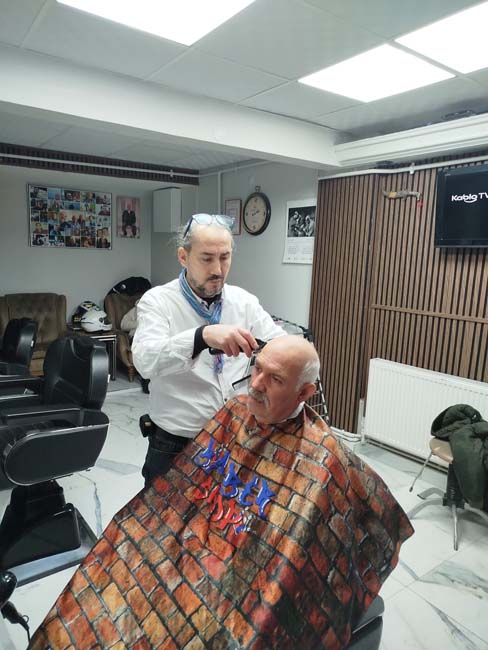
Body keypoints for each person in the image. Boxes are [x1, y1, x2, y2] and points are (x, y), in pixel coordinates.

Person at [29, 335, 414, 650]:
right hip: (192, 543)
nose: (256, 385)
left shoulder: (323, 460)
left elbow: (347, 532)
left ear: (305, 392)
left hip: (239, 574)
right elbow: (183, 487)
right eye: (257, 369)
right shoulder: (233, 411)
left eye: (275, 379)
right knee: (120, 549)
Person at [132, 213, 284, 486]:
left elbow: (278, 343)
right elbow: (146, 361)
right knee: (168, 513)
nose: (218, 269)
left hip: (235, 434)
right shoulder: (158, 302)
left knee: (226, 511)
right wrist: (201, 337)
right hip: (176, 442)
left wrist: (281, 354)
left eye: (225, 257)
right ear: (183, 256)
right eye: (207, 258)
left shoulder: (244, 302)